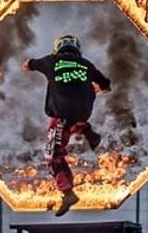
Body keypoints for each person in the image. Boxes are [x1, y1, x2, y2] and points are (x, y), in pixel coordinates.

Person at [22, 34, 111, 216]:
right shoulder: (87, 64)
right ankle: (86, 130)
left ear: (58, 48)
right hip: (83, 112)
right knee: (74, 119)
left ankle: (67, 193)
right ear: (78, 49)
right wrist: (98, 88)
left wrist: (29, 66)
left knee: (52, 154)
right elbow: (107, 84)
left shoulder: (51, 61)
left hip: (61, 115)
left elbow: (29, 64)